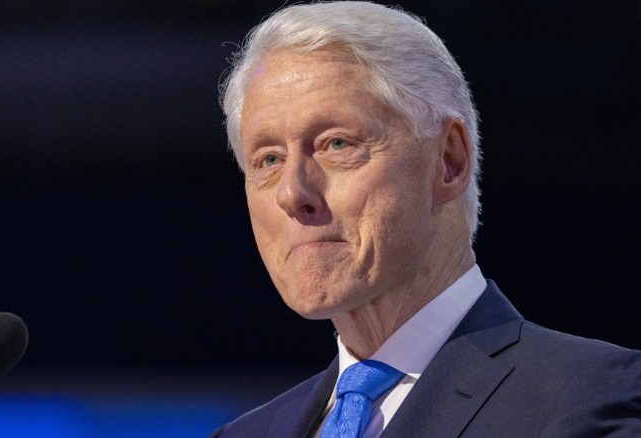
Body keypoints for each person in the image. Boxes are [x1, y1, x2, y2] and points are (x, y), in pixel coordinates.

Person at [211, 1, 641, 437]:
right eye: (268, 159)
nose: (291, 193)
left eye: (336, 144)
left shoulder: (588, 399)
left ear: (449, 162)